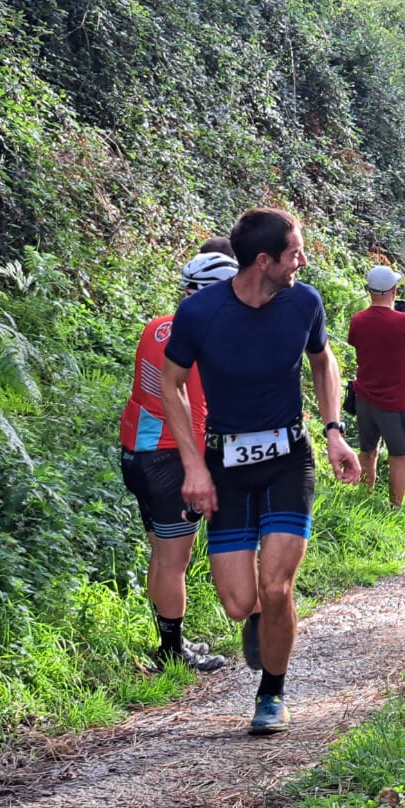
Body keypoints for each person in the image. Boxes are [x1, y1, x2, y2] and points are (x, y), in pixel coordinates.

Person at [160, 207, 361, 736]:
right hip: (225, 463)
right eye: (294, 252)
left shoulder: (304, 302)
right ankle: (257, 622)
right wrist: (192, 465)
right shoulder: (201, 313)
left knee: (276, 587)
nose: (303, 260)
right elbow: (171, 383)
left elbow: (323, 361)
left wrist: (334, 430)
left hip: (288, 459)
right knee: (238, 602)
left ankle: (271, 694)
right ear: (263, 260)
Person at [119, 251, 238, 676]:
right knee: (174, 560)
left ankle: (169, 639)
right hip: (170, 460)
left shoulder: (159, 326)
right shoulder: (206, 339)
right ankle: (171, 652)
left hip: (137, 453)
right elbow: (197, 408)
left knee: (161, 553)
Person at [347, 265, 405, 508]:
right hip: (398, 401)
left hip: (364, 397)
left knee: (367, 451)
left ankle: (365, 501)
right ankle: (395, 508)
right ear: (394, 291)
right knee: (399, 457)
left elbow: (356, 343)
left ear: (369, 291)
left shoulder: (358, 320)